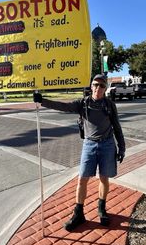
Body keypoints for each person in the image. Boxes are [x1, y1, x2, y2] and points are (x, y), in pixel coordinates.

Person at [33, 74, 125, 232]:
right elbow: (63, 106)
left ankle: (101, 208)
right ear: (91, 86)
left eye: (102, 86)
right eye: (96, 85)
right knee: (82, 179)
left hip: (107, 145)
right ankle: (79, 213)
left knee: (104, 178)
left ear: (105, 88)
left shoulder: (110, 105)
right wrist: (42, 101)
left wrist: (122, 147)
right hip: (89, 145)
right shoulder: (83, 104)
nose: (98, 88)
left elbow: (116, 126)